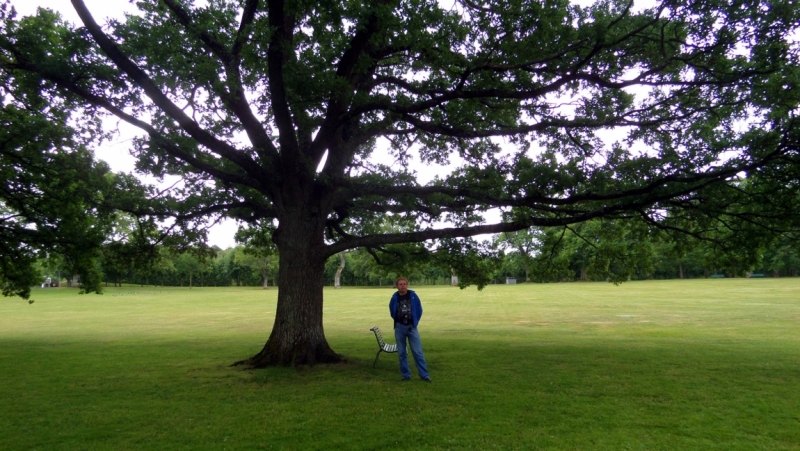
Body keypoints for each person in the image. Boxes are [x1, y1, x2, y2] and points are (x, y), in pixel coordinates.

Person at [389, 277, 431, 382]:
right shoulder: (394, 297)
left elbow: (419, 309)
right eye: (400, 284)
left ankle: (424, 375)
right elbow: (392, 310)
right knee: (402, 353)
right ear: (397, 286)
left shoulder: (413, 296)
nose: (403, 286)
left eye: (404, 284)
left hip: (412, 327)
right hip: (400, 328)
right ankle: (406, 375)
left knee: (418, 352)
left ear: (407, 285)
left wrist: (415, 320)